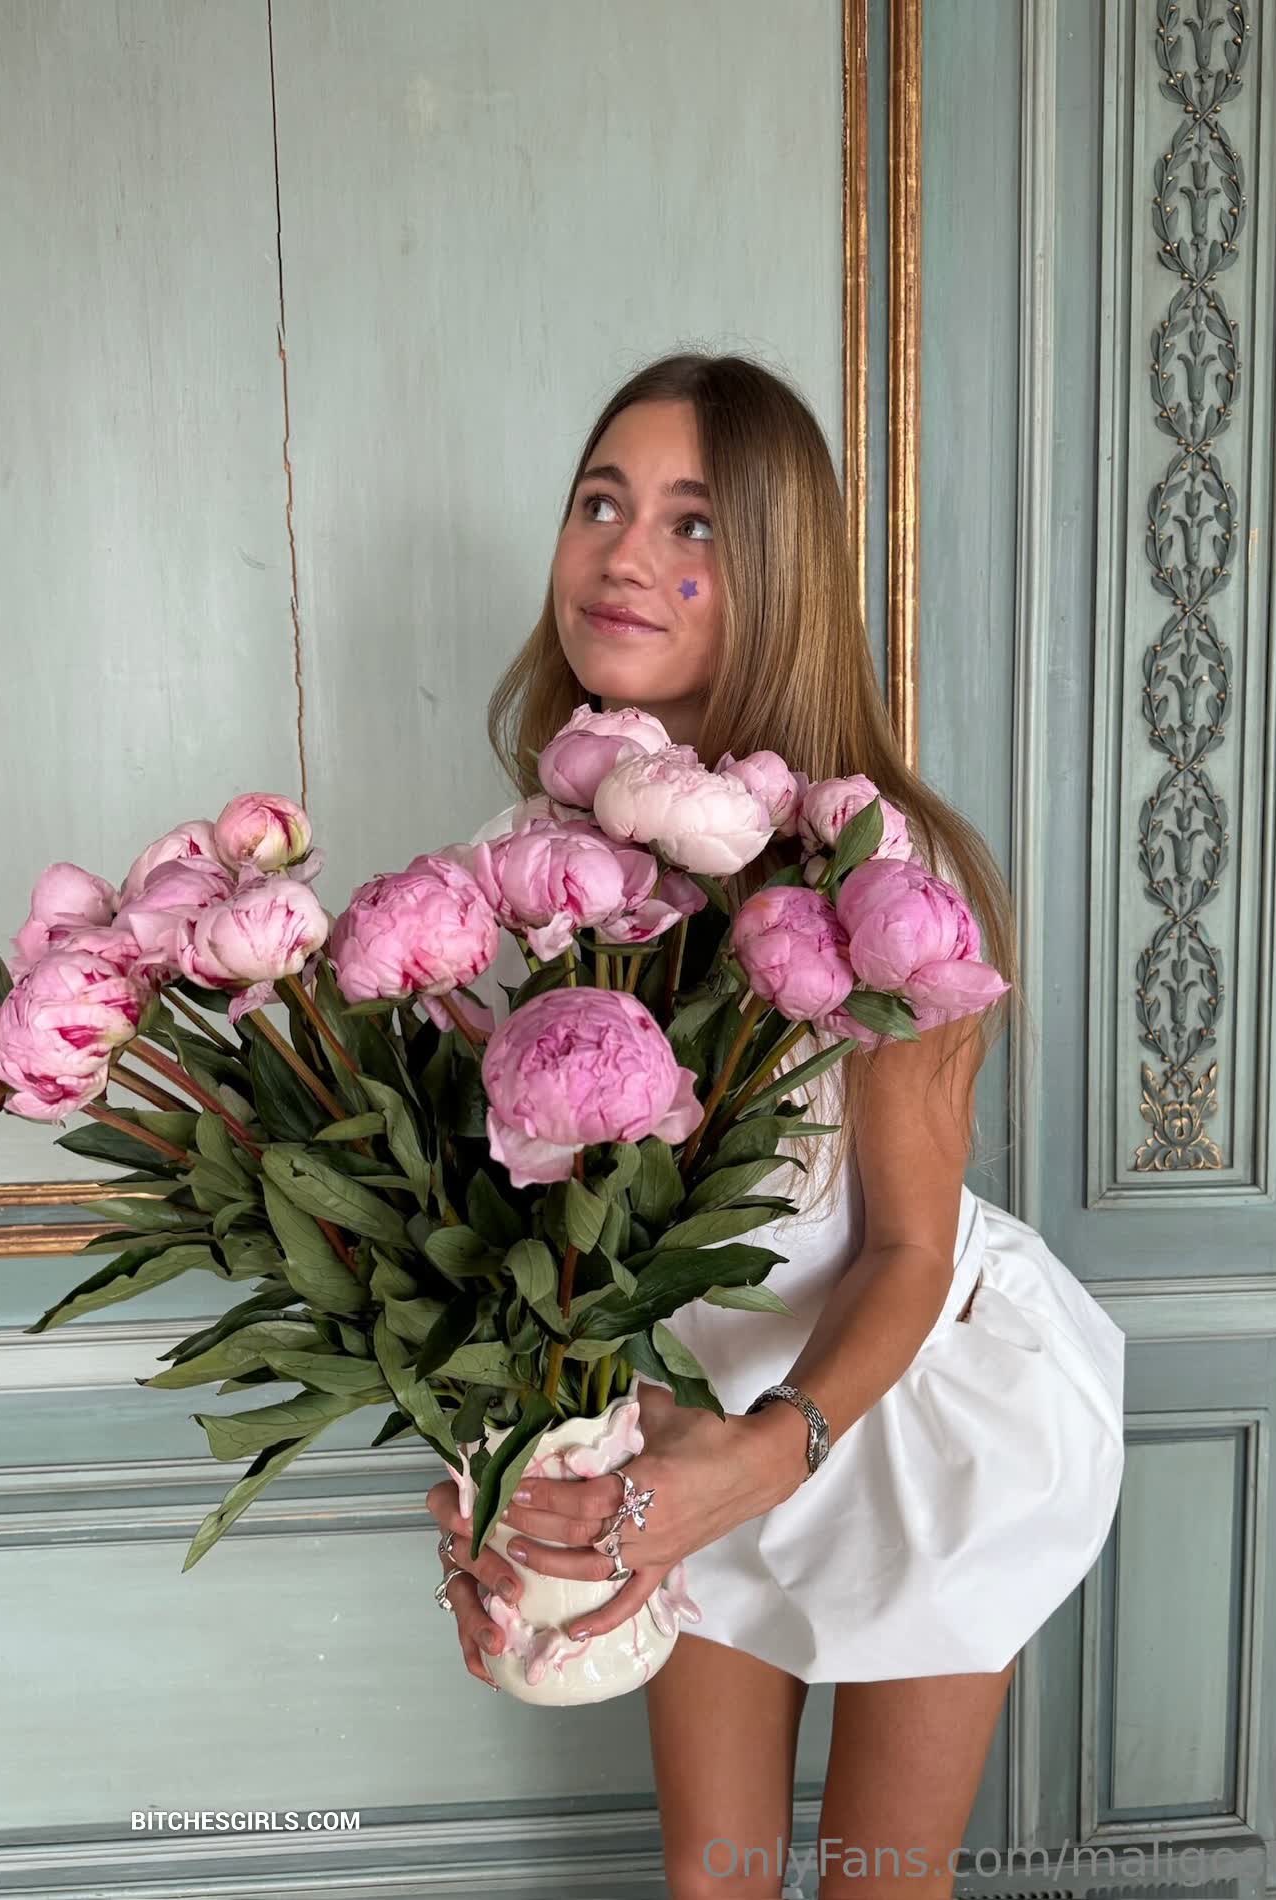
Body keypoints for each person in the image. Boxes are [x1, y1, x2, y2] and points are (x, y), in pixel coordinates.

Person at [425, 351, 1126, 1899]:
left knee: (879, 1882)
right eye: (600, 503)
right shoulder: (519, 866)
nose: (624, 555)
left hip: (900, 1412)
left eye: (693, 525)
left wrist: (769, 1453)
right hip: (678, 1429)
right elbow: (520, 1244)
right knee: (715, 1879)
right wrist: (497, 1494)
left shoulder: (877, 866)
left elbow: (906, 1246)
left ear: (778, 573)